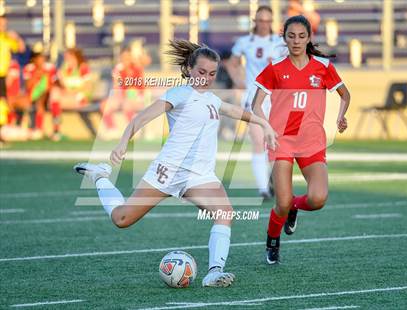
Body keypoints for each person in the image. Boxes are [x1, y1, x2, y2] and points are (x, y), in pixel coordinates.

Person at [73, 39, 277, 287]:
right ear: (190, 69)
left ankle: (214, 272)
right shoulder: (179, 93)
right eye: (201, 72)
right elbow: (142, 117)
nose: (206, 78)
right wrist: (123, 142)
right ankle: (100, 176)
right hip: (168, 172)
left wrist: (263, 123)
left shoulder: (212, 99)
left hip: (200, 176)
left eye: (212, 73)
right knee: (122, 219)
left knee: (224, 213)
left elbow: (235, 111)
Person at [252, 15, 350, 264]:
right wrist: (266, 127)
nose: (296, 41)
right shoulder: (275, 67)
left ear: (309, 38)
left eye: (301, 36)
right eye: (291, 36)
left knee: (318, 199)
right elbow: (256, 106)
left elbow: (345, 95)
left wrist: (341, 117)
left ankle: (295, 207)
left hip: (311, 142)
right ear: (284, 37)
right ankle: (273, 240)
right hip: (281, 140)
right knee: (281, 202)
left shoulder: (323, 67)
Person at [225, 5, 288, 199]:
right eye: (260, 20)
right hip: (253, 97)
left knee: (279, 143)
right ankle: (263, 188)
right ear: (255, 22)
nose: (264, 24)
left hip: (276, 98)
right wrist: (239, 81)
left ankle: (274, 179)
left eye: (267, 21)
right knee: (258, 140)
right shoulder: (245, 42)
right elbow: (232, 63)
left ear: (271, 22)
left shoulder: (280, 42)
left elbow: (290, 66)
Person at [100, 47, 151, 139]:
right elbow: (117, 87)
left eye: (128, 56)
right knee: (105, 105)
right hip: (122, 97)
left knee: (127, 104)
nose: (126, 59)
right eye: (123, 57)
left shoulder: (137, 67)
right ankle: (112, 129)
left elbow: (141, 87)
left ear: (131, 57)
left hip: (137, 98)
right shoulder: (118, 69)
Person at [50, 48, 92, 140]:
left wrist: (71, 92)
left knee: (55, 101)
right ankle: (56, 131)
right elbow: (63, 87)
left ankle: (56, 130)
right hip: (68, 98)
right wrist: (60, 79)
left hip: (80, 98)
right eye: (66, 58)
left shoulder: (83, 68)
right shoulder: (64, 70)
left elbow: (88, 87)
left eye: (69, 57)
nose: (67, 60)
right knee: (54, 94)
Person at [0, 15, 25, 144]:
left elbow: (21, 48)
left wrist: (17, 38)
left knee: (3, 103)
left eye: (4, 24)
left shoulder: (7, 39)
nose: (2, 26)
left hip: (2, 75)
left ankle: (1, 132)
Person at [23, 51, 57, 140]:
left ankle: (42, 129)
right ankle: (11, 128)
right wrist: (35, 76)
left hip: (47, 94)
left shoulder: (50, 68)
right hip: (32, 94)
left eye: (42, 57)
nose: (41, 60)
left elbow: (53, 85)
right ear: (34, 59)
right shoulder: (29, 68)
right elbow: (27, 86)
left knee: (43, 100)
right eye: (39, 57)